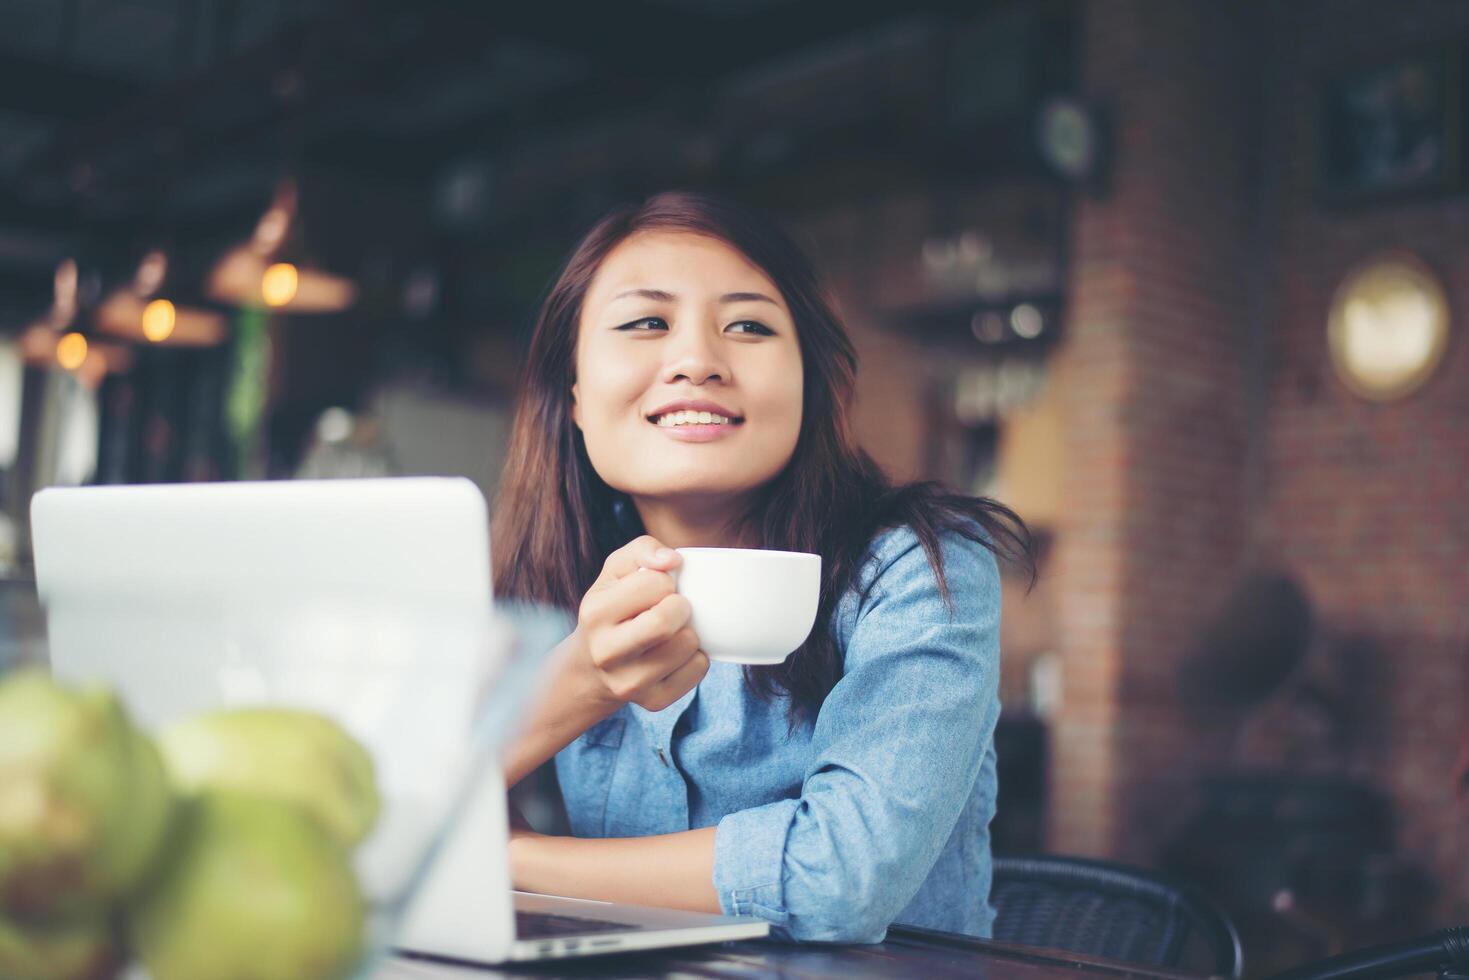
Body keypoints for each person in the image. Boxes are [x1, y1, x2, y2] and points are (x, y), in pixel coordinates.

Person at [492, 191, 1032, 944]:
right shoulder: (554, 578)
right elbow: (392, 812)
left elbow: (839, 878)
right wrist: (577, 680)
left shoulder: (918, 567)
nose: (696, 362)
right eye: (647, 322)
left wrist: (514, 860)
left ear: (807, 386)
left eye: (747, 325)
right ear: (575, 395)